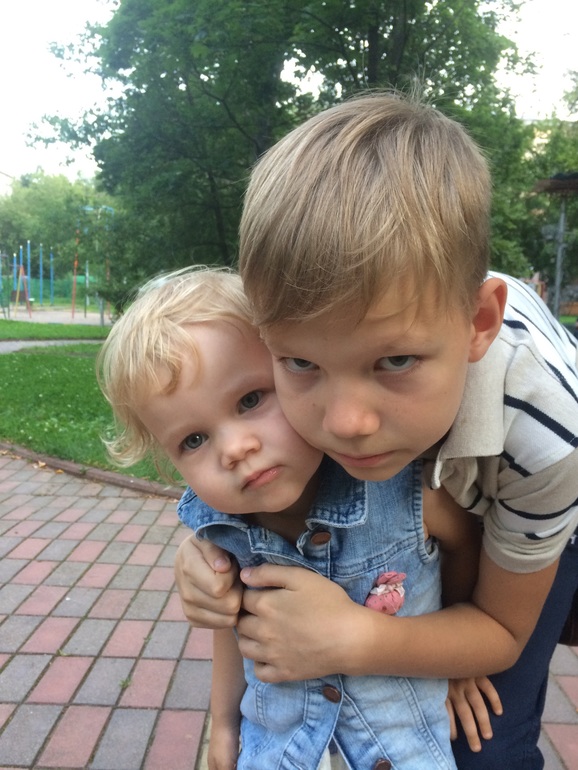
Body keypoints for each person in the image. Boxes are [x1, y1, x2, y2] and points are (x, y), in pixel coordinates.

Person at [173, 92, 578, 769]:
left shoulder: (550, 437)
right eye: (300, 363)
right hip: (455, 498)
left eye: (395, 362)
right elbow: (220, 426)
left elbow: (503, 629)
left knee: (483, 746)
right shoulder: (336, 357)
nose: (345, 425)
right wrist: (205, 550)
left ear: (478, 323)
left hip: (539, 508)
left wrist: (362, 641)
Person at [97, 266, 498, 770]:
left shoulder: (403, 490)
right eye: (193, 440)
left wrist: (456, 659)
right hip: (279, 748)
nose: (235, 449)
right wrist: (223, 723)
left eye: (250, 400)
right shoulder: (223, 530)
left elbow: (465, 547)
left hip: (400, 746)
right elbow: (232, 625)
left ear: (298, 371)